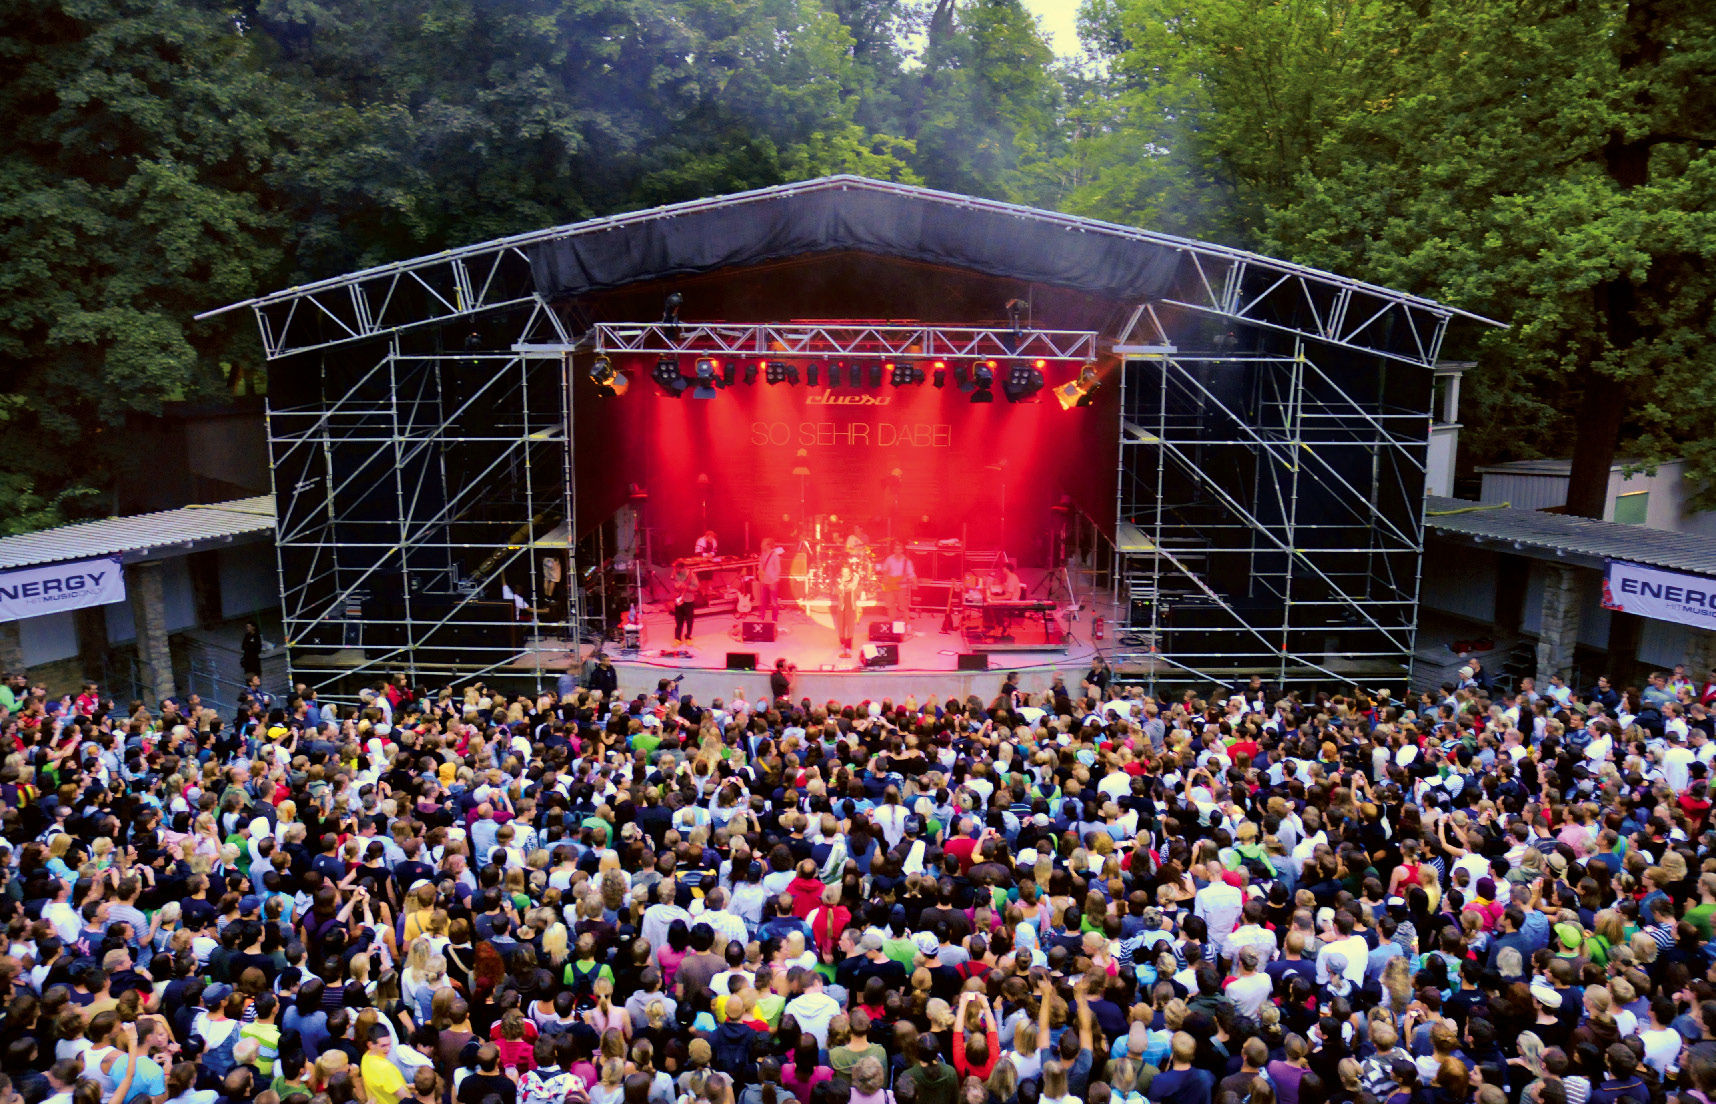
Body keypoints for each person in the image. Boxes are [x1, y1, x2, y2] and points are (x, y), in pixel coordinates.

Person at [879, 541, 916, 621]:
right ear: (894, 550)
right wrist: (885, 577)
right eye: (896, 549)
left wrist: (915, 582)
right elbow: (884, 570)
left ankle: (907, 625)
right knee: (890, 606)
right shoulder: (889, 559)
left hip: (901, 587)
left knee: (903, 607)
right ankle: (891, 623)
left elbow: (911, 573)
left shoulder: (907, 561)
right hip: (890, 586)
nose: (897, 551)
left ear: (902, 550)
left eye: (899, 549)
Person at [835, 561, 860, 658]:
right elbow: (836, 590)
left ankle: (849, 644)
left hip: (851, 606)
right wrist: (840, 586)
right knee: (841, 627)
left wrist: (854, 582)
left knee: (850, 627)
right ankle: (842, 641)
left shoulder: (855, 580)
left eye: (846, 572)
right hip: (841, 607)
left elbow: (854, 588)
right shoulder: (838, 580)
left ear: (850, 572)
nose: (844, 574)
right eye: (843, 572)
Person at [757, 539, 784, 623]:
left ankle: (774, 619)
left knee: (773, 601)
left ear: (768, 545)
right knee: (763, 600)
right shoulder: (762, 555)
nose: (761, 545)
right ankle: (762, 617)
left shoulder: (774, 555)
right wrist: (760, 572)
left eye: (763, 544)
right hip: (764, 580)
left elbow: (778, 569)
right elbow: (760, 565)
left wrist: (774, 578)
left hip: (772, 581)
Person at [671, 567, 699, 644]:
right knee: (678, 620)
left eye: (678, 570)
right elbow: (673, 583)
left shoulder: (691, 575)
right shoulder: (675, 573)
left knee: (689, 620)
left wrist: (687, 587)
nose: (676, 571)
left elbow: (696, 587)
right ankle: (677, 638)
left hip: (689, 600)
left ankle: (688, 637)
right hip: (679, 600)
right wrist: (677, 586)